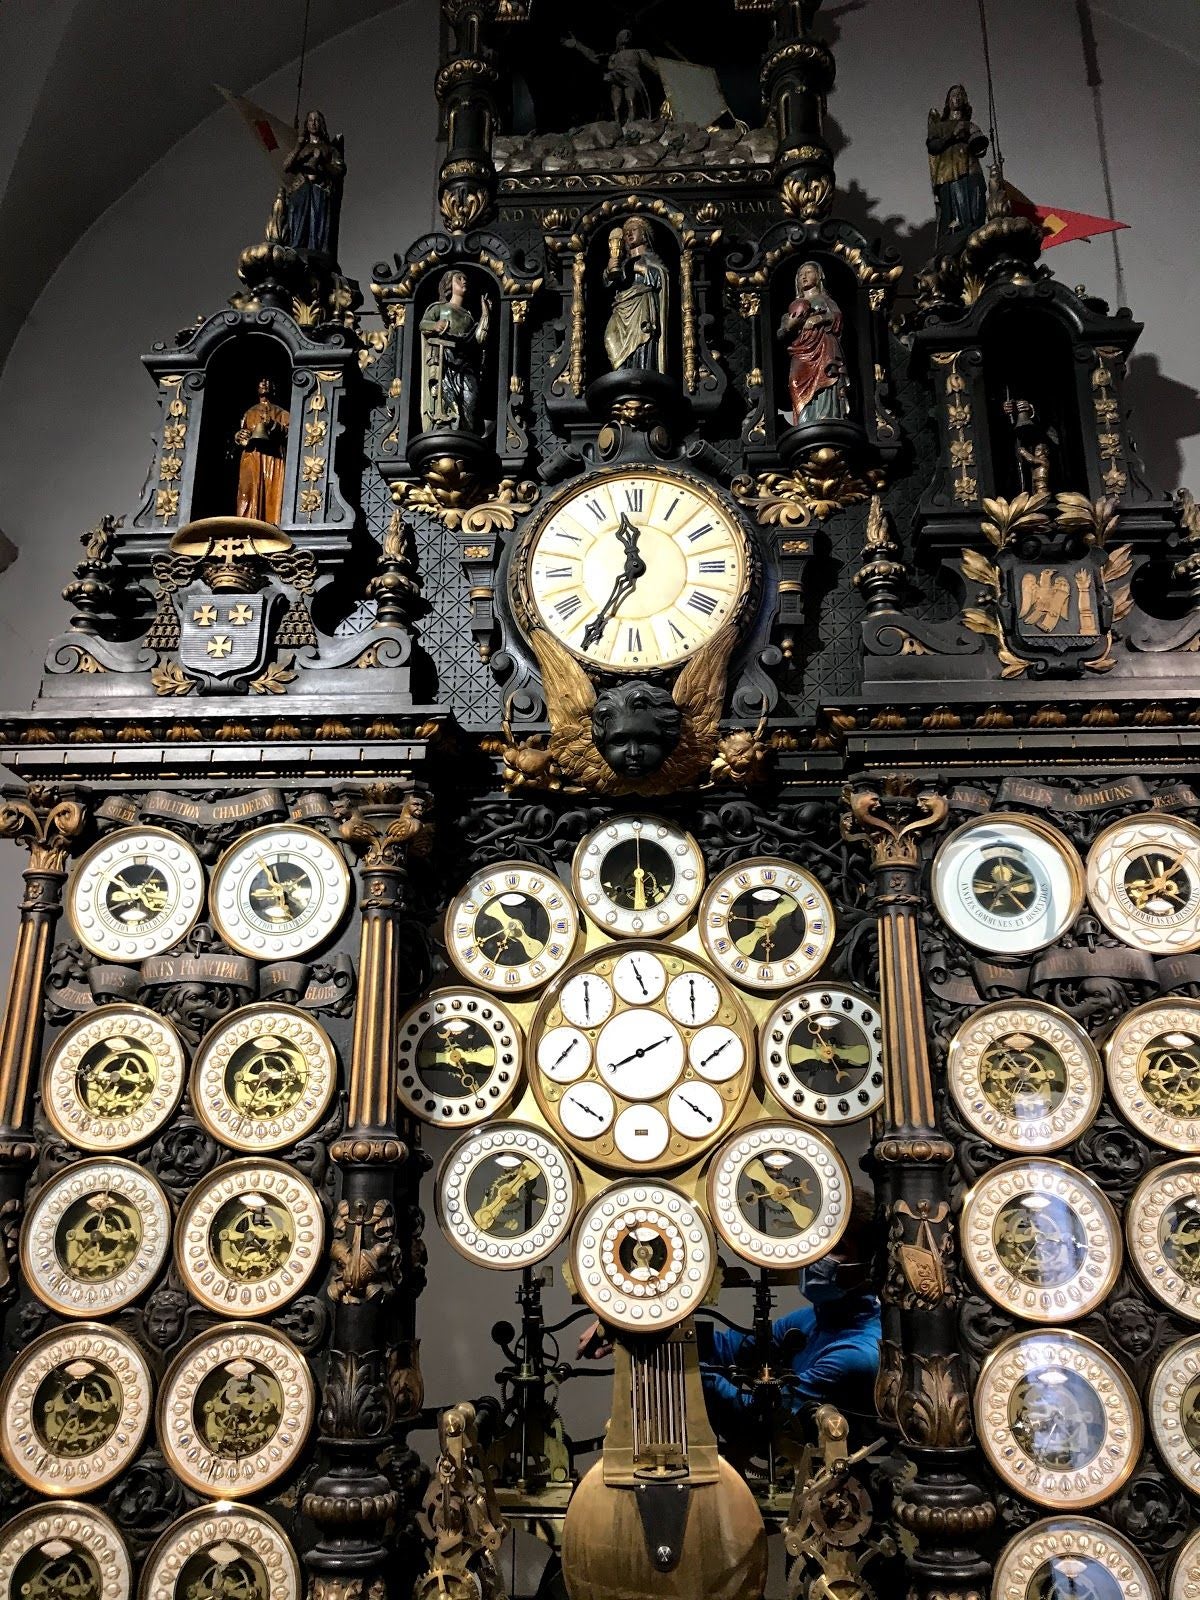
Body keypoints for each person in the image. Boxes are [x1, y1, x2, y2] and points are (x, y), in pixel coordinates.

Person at [578, 1186, 882, 1438]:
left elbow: (760, 1418)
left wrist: (681, 1368)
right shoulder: (810, 1321)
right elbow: (731, 1348)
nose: (819, 1256)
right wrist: (637, 1323)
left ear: (870, 1265)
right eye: (818, 1241)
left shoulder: (856, 1355)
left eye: (838, 1247)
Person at [778, 261, 849, 429]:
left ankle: (827, 415)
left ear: (819, 276)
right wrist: (790, 325)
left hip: (824, 347)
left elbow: (837, 316)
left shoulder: (825, 300)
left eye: (809, 272)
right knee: (795, 382)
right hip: (801, 351)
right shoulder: (793, 308)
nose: (804, 276)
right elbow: (781, 333)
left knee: (827, 379)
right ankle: (804, 421)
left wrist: (819, 318)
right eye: (801, 274)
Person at [419, 269, 491, 434]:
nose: (463, 281)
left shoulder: (469, 316)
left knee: (470, 397)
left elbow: (478, 339)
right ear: (449, 285)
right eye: (459, 278)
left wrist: (485, 314)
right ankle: (447, 427)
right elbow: (423, 324)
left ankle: (467, 432)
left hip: (464, 361)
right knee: (446, 396)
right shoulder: (440, 308)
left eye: (465, 278)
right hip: (445, 357)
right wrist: (435, 326)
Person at [269, 110, 345, 257]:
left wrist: (322, 163)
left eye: (317, 120)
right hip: (301, 189)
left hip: (320, 190)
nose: (313, 123)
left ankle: (317, 251)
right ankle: (296, 247)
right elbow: (286, 166)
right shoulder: (302, 148)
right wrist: (298, 146)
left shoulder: (330, 148)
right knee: (298, 221)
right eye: (310, 120)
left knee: (318, 222)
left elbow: (339, 170)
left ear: (321, 124)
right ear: (307, 124)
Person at [603, 217, 669, 374]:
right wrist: (608, 271)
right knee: (610, 338)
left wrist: (642, 269)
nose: (629, 234)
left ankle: (641, 374)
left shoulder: (652, 259)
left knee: (642, 342)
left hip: (642, 306)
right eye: (626, 232)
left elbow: (663, 279)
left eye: (634, 229)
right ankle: (621, 375)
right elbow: (610, 285)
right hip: (622, 308)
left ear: (644, 234)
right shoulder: (622, 262)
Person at [926, 85, 988, 242]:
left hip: (972, 170)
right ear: (948, 101)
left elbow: (980, 150)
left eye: (961, 95)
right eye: (954, 95)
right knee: (956, 218)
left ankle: (976, 240)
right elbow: (933, 147)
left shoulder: (971, 126)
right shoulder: (940, 127)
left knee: (976, 212)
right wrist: (953, 136)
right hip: (950, 174)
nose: (958, 98)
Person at [234, 376, 290, 525]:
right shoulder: (249, 412)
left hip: (272, 457)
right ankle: (246, 526)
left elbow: (289, 432)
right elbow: (241, 433)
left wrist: (273, 425)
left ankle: (271, 525)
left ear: (274, 388)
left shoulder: (281, 413)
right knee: (247, 493)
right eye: (261, 381)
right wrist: (239, 436)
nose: (265, 384)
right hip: (252, 456)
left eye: (268, 382)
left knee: (271, 492)